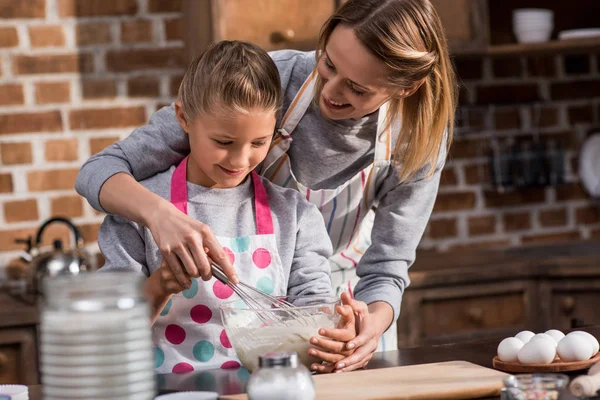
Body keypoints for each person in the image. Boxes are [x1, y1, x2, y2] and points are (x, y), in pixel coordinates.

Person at [77, 0, 457, 373]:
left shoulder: (415, 139)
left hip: (339, 305)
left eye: (357, 89)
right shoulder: (263, 83)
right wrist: (160, 217)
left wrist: (365, 328)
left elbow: (388, 268)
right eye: (328, 63)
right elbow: (101, 169)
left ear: (406, 88)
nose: (331, 91)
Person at [96, 40, 344, 373]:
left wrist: (334, 328)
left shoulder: (294, 215)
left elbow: (313, 308)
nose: (241, 160)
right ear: (184, 118)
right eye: (223, 142)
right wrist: (161, 284)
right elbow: (108, 337)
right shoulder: (137, 213)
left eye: (259, 142)